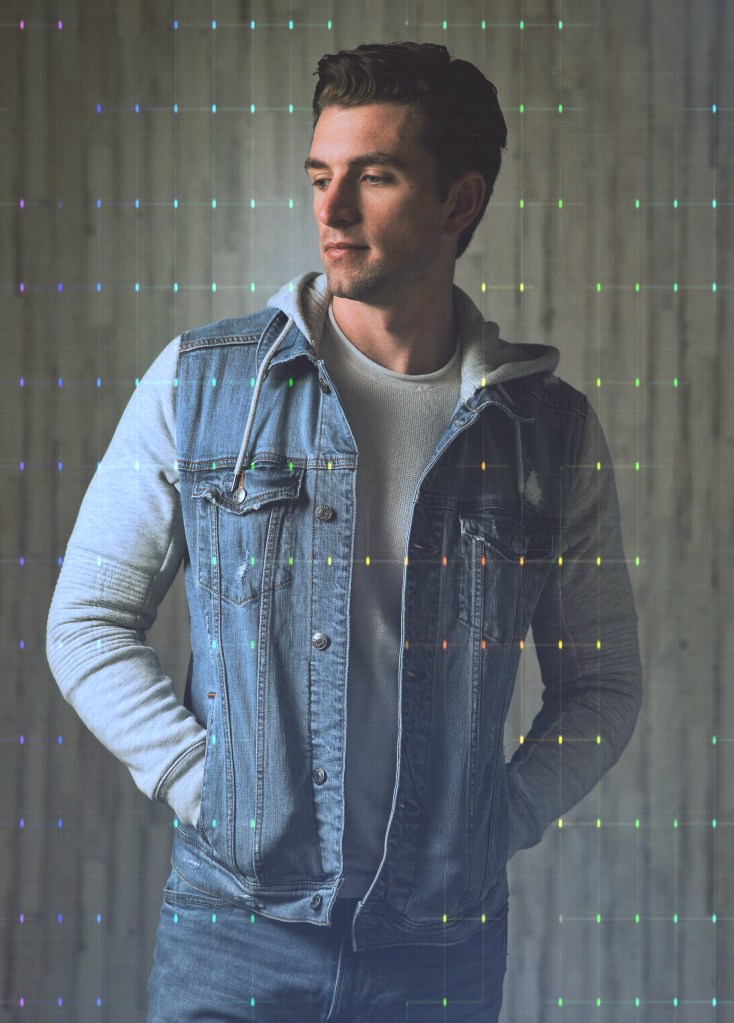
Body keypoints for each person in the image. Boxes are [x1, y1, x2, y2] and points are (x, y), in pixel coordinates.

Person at [46, 41, 643, 1023]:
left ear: (458, 201)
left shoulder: (545, 431)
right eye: (320, 176)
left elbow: (604, 682)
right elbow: (86, 621)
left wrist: (499, 818)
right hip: (234, 937)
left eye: (374, 177)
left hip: (439, 950)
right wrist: (207, 790)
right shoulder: (203, 383)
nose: (330, 211)